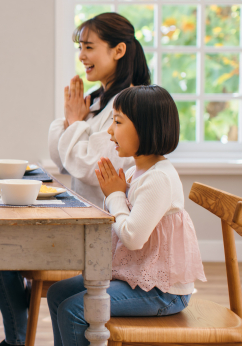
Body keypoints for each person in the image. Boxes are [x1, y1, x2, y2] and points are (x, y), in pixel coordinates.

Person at [0, 13, 152, 346]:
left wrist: (75, 124)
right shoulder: (99, 101)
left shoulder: (130, 105)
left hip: (99, 232)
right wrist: (72, 118)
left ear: (119, 50)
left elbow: (91, 167)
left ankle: (17, 338)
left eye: (89, 47)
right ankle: (17, 336)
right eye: (80, 47)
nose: (81, 56)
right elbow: (59, 154)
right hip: (80, 217)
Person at [47, 85, 207, 346]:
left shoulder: (159, 179)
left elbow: (132, 238)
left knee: (74, 309)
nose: (110, 131)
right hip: (137, 278)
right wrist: (114, 194)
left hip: (162, 292)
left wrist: (114, 196)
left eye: (118, 121)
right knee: (57, 293)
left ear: (145, 127)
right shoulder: (136, 173)